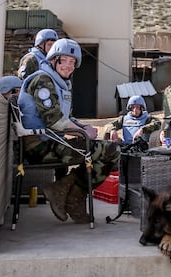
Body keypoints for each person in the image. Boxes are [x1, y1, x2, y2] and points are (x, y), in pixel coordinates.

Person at [17, 38, 120, 223]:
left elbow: (66, 117)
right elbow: (54, 120)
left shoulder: (59, 82)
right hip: (39, 148)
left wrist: (84, 127)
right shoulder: (42, 80)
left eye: (72, 62)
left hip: (51, 142)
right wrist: (82, 133)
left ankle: (65, 190)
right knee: (111, 151)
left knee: (109, 150)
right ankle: (71, 196)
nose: (68, 66)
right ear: (53, 60)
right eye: (63, 60)